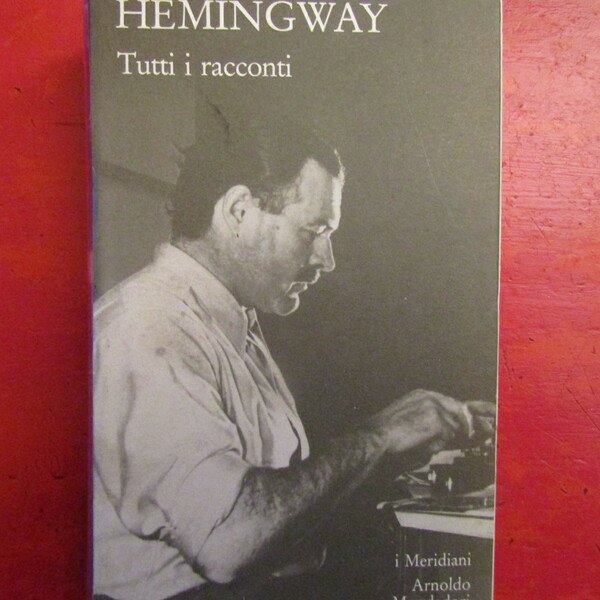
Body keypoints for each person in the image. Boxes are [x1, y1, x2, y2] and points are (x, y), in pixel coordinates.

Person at [93, 118, 495, 600]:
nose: (327, 260)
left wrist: (403, 449)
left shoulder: (228, 322)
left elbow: (279, 508)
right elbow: (228, 543)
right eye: (313, 231)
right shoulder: (149, 325)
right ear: (239, 211)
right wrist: (381, 437)